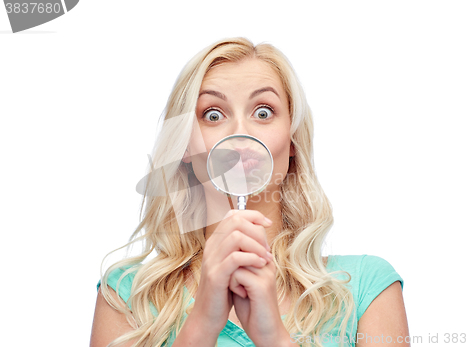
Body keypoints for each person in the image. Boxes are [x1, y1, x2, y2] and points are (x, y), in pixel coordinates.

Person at [90, 37, 410, 347]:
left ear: (293, 139)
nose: (240, 132)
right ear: (186, 145)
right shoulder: (128, 293)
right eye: (213, 114)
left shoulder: (366, 288)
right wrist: (201, 323)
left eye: (263, 112)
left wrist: (274, 338)